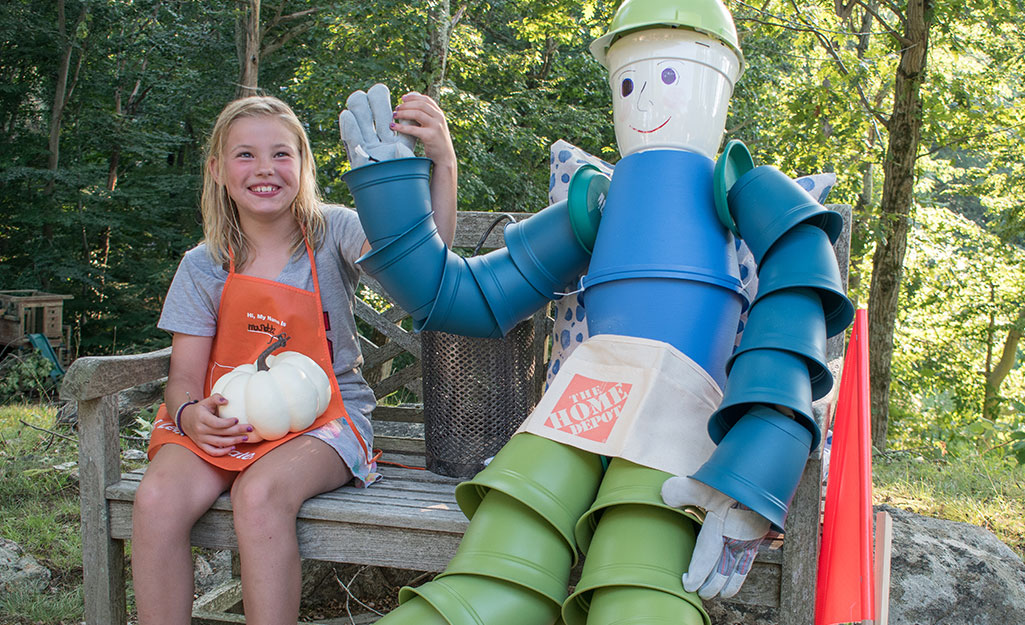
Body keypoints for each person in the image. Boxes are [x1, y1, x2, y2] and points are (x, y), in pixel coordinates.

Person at [131, 92, 457, 625]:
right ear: (216, 169)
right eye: (245, 155)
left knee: (259, 495)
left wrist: (442, 159)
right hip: (228, 419)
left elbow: (428, 259)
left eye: (282, 154)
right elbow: (184, 379)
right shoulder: (203, 265)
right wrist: (191, 416)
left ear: (304, 165)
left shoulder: (335, 232)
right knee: (157, 499)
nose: (265, 169)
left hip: (327, 420)